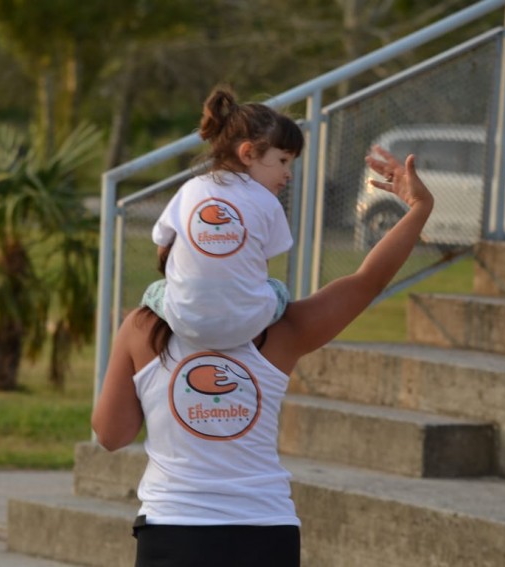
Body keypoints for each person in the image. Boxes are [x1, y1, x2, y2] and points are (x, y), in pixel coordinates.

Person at [92, 145, 434, 567]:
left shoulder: (140, 330)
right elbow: (368, 281)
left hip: (173, 527)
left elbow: (111, 435)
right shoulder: (284, 330)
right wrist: (418, 208)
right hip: (265, 531)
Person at [142, 86, 303, 350]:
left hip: (183, 322)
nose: (288, 174)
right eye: (283, 161)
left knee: (153, 291)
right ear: (248, 153)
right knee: (278, 289)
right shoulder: (267, 203)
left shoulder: (190, 189)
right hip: (247, 326)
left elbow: (162, 244)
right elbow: (259, 262)